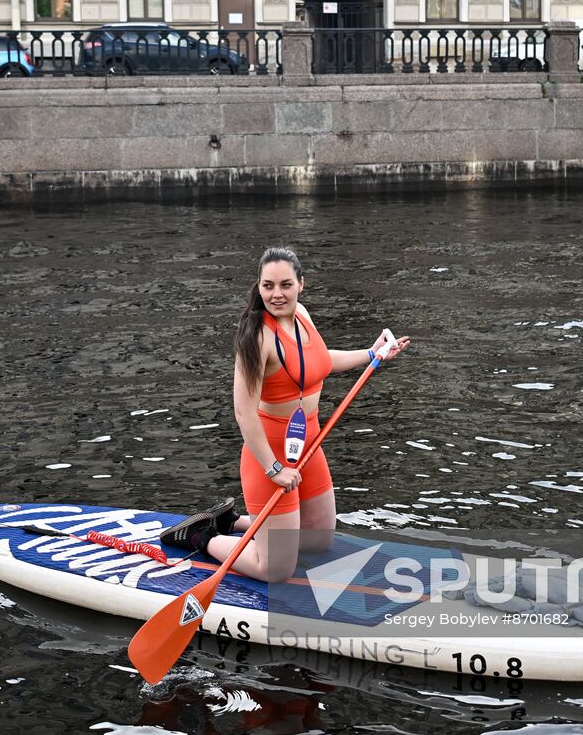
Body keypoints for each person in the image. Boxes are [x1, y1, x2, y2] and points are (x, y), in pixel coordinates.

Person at [160, 247, 409, 582]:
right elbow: (243, 412)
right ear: (259, 287)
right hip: (270, 452)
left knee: (319, 539)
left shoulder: (302, 315)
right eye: (268, 286)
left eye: (285, 285)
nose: (276, 294)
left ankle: (231, 521)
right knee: (276, 569)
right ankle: (203, 537)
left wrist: (371, 353)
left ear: (301, 284)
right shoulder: (256, 336)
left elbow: (320, 360)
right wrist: (274, 469)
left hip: (308, 442)